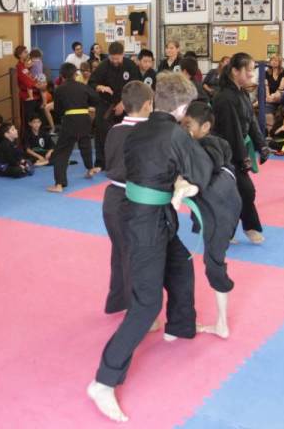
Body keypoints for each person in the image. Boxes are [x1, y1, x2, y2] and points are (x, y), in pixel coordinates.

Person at [87, 72, 213, 423]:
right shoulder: (175, 134)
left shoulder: (136, 130)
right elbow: (202, 173)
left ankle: (180, 325)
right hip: (145, 222)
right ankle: (103, 381)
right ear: (183, 108)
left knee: (181, 263)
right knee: (147, 305)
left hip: (144, 213)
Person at [183, 101, 241, 338]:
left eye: (188, 125)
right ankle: (221, 323)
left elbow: (207, 163)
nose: (184, 129)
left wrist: (184, 187)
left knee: (214, 263)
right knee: (214, 257)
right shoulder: (214, 142)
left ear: (205, 127)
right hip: (224, 205)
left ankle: (222, 325)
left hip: (220, 211)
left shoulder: (207, 146)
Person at [100, 80, 153, 313]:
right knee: (134, 255)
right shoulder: (148, 132)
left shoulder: (114, 130)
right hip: (134, 200)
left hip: (112, 198)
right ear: (148, 104)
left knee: (120, 250)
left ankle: (117, 301)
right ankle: (137, 310)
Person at [211, 52, 270, 245]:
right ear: (236, 71)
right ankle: (248, 228)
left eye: (253, 70)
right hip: (224, 152)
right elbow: (232, 131)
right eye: (249, 70)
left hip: (236, 149)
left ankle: (227, 231)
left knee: (237, 192)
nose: (252, 74)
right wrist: (243, 158)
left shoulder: (242, 93)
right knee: (245, 190)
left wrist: (262, 145)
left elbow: (250, 121)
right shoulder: (224, 97)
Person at [88, 41, 141, 170]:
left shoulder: (130, 65)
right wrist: (100, 87)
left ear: (123, 54)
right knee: (101, 131)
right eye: (112, 58)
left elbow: (137, 85)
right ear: (109, 55)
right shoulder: (103, 66)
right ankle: (101, 162)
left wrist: (124, 103)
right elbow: (91, 83)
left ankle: (128, 162)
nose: (115, 61)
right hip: (106, 104)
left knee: (128, 133)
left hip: (127, 104)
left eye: (118, 58)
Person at [48, 63, 98, 193]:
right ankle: (90, 169)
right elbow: (95, 98)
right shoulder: (83, 86)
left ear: (62, 75)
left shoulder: (59, 89)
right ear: (75, 74)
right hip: (85, 118)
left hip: (70, 120)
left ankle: (59, 184)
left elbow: (58, 110)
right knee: (85, 144)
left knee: (62, 152)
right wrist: (85, 105)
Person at [14, 45, 42, 131]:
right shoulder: (19, 67)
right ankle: (26, 138)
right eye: (25, 52)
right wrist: (35, 84)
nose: (27, 53)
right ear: (20, 55)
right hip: (27, 97)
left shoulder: (25, 66)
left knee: (37, 120)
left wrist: (38, 83)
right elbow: (27, 81)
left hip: (36, 95)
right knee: (28, 121)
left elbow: (31, 77)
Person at [264, 54, 284, 127]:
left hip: (282, 95)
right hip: (270, 97)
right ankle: (271, 132)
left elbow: (281, 87)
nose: (274, 62)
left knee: (278, 95)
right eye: (272, 60)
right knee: (267, 113)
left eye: (276, 60)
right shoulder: (266, 73)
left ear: (280, 62)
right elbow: (266, 86)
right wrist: (268, 96)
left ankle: (258, 103)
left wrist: (272, 96)